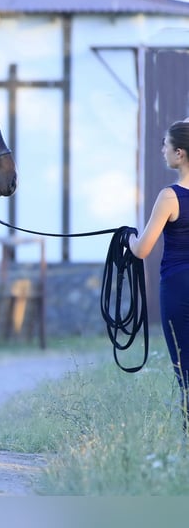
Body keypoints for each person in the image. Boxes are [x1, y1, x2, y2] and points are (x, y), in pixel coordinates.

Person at [129, 119, 189, 430]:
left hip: (179, 286)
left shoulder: (170, 196)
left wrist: (128, 238)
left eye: (165, 144)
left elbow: (142, 250)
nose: (161, 150)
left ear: (179, 153)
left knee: (186, 368)